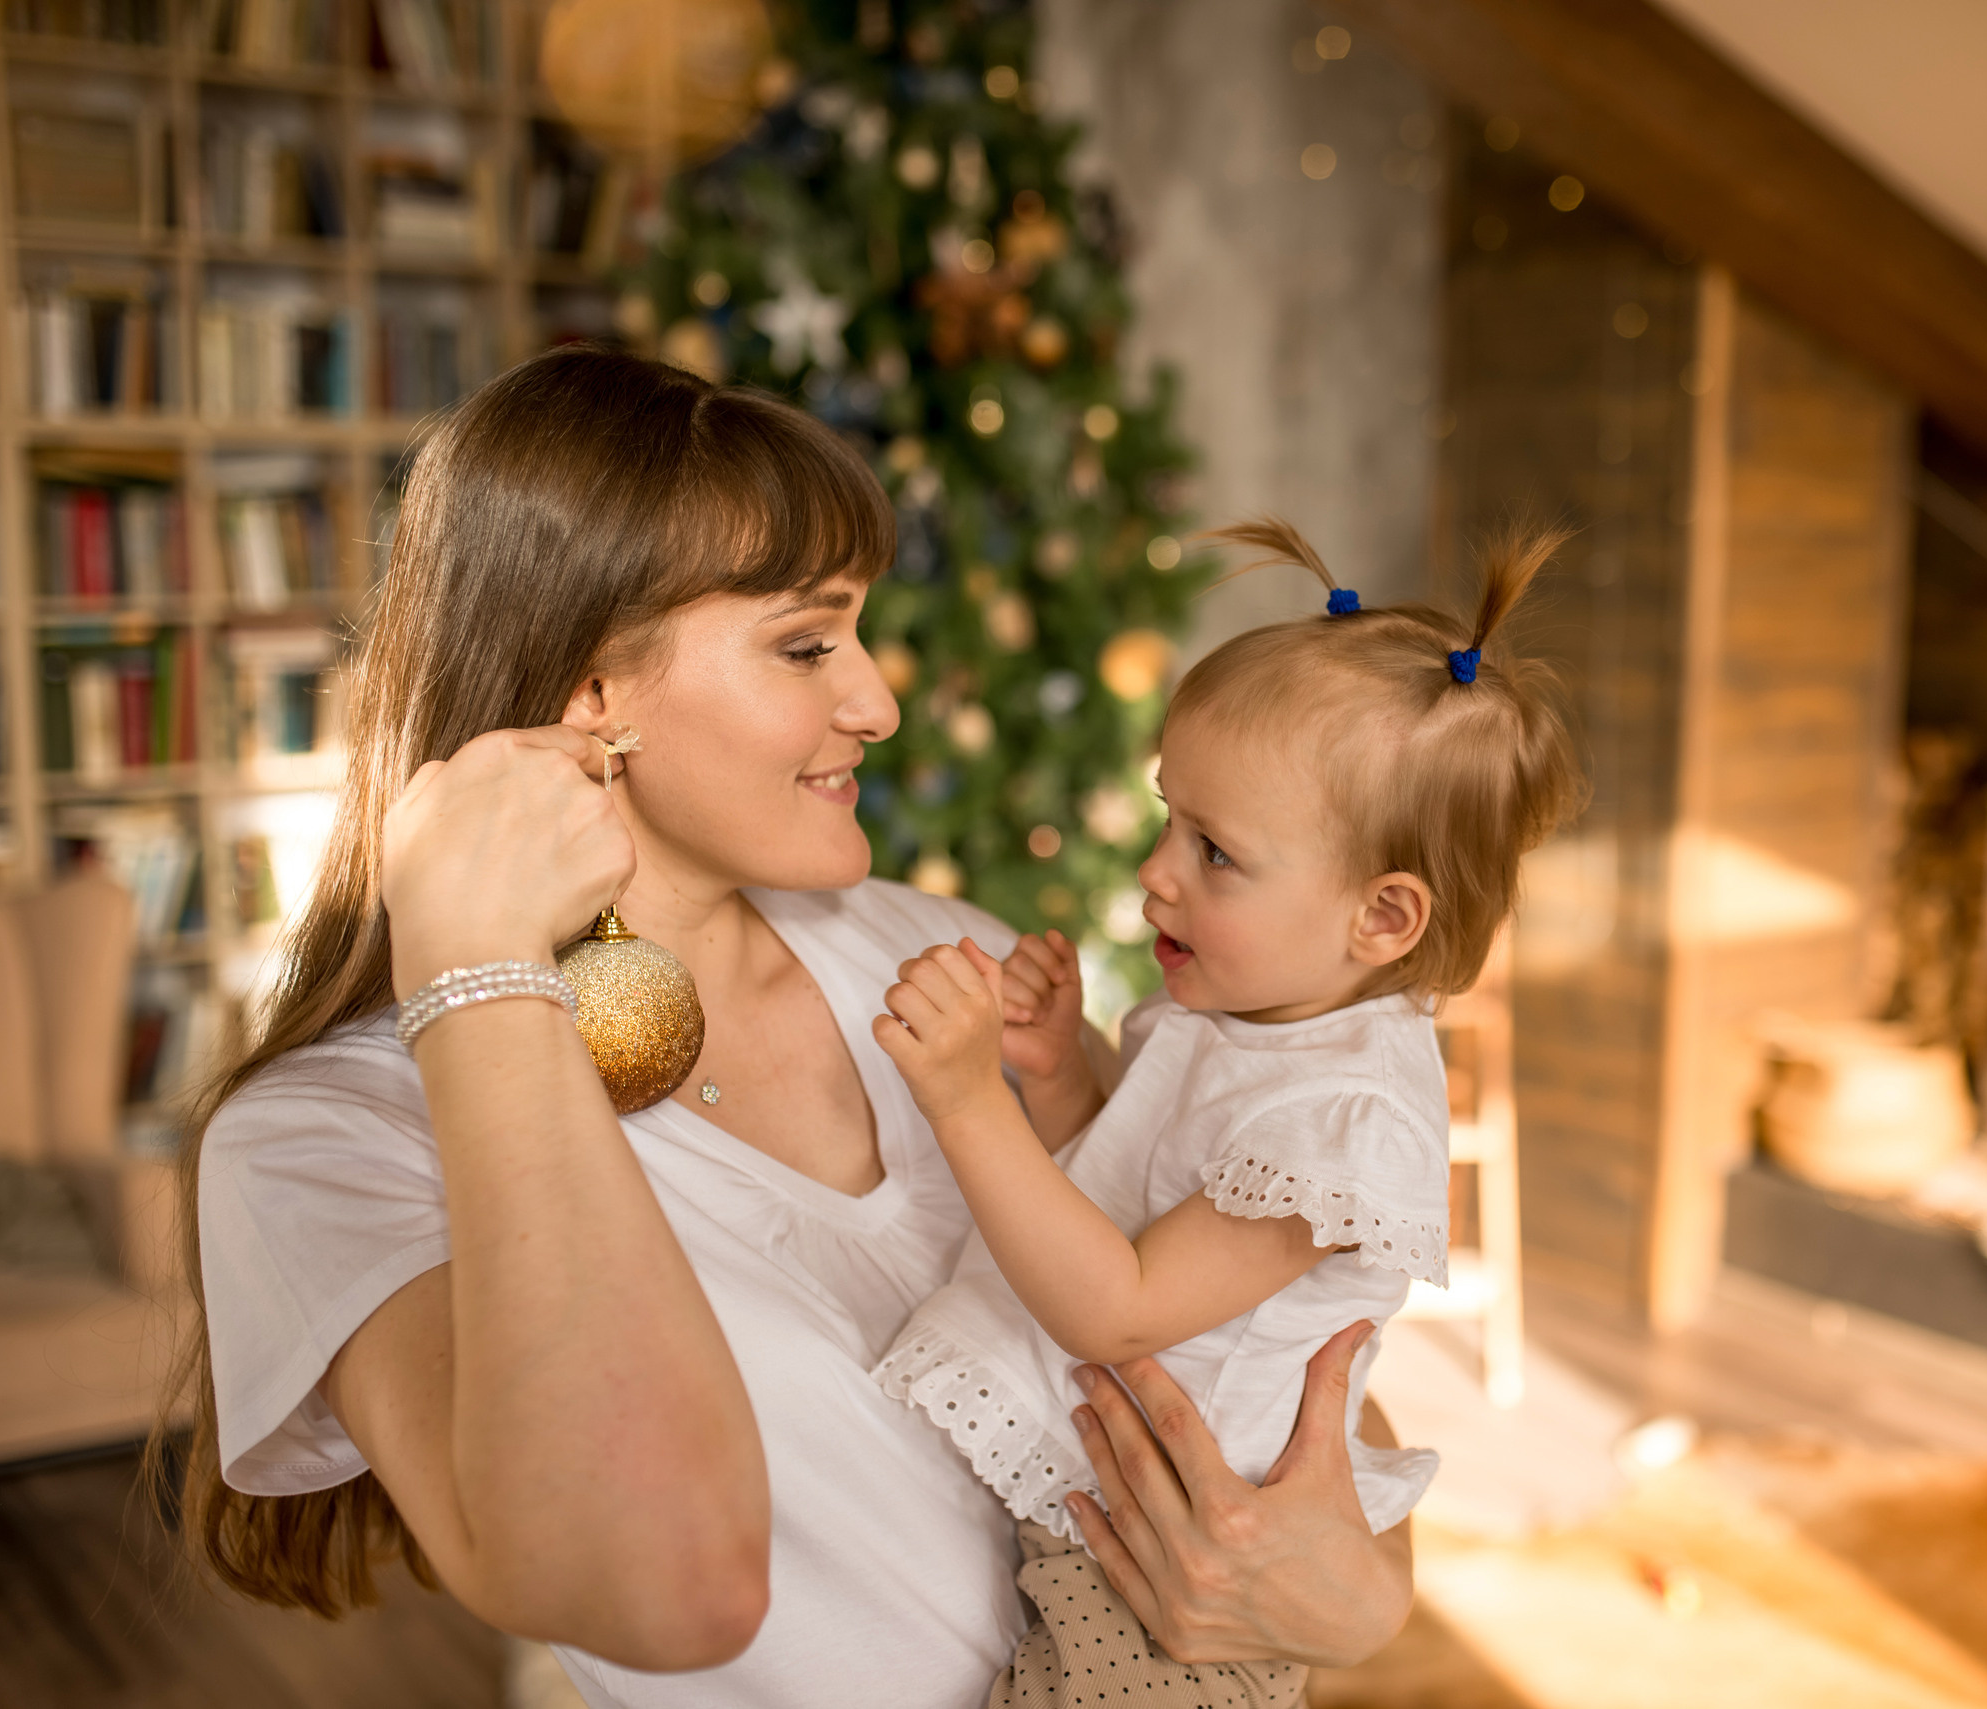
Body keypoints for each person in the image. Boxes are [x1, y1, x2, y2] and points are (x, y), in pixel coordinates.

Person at [163, 348, 1416, 1709]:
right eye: (808, 644)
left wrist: (1361, 1595)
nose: (876, 701)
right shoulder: (332, 1137)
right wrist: (473, 968)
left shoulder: (961, 966)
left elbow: (1277, 1343)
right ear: (591, 692)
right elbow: (668, 1584)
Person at [869, 520, 1583, 1706]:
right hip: (1115, 1515)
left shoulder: (1343, 1122)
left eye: (1213, 850)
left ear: (1383, 918)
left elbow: (1119, 1301)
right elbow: (1136, 1197)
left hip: (1178, 1585)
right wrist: (1059, 1080)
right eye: (1167, 816)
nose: (1156, 869)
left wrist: (964, 1104)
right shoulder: (1247, 1006)